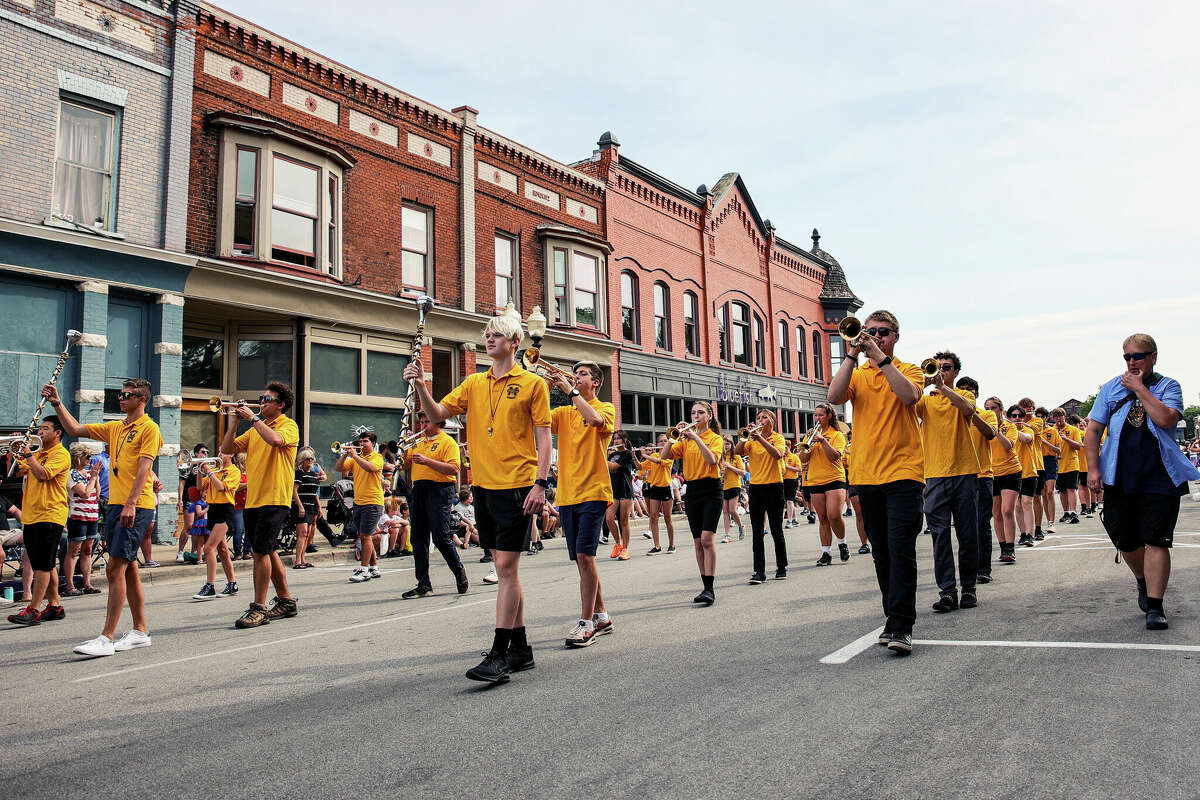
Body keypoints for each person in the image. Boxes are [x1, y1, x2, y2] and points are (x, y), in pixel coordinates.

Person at [403, 312, 551, 684]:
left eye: (497, 334)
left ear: (514, 342)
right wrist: (421, 384)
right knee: (504, 568)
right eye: (487, 334)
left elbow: (544, 439)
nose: (489, 339)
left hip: (517, 485)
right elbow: (436, 413)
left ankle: (500, 652)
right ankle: (521, 649)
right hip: (483, 486)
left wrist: (540, 483)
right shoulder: (472, 383)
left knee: (505, 570)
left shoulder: (533, 384)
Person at [1086, 334, 1199, 630]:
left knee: (1157, 540)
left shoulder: (1168, 386)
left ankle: (1155, 605)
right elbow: (1094, 430)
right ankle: (1142, 579)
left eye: (1139, 356)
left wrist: (1139, 388)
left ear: (1153, 357)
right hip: (1119, 475)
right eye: (1128, 357)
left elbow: (1166, 419)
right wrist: (1093, 469)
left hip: (1160, 476)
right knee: (1125, 539)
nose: (1132, 362)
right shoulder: (1110, 388)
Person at [827, 310, 924, 655]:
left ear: (895, 336)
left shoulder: (908, 370)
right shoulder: (858, 373)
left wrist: (881, 358)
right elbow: (834, 398)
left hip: (904, 474)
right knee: (882, 553)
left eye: (882, 332)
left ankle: (901, 624)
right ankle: (892, 618)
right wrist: (852, 353)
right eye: (869, 332)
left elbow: (909, 397)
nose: (874, 336)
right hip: (867, 475)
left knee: (901, 550)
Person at [46, 378, 161, 656]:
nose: (120, 399)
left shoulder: (149, 428)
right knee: (129, 567)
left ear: (141, 399)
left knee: (114, 569)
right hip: (115, 505)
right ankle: (140, 631)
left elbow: (145, 469)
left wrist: (131, 504)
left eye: (127, 395)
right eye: (120, 394)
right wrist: (57, 403)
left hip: (135, 506)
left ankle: (106, 638)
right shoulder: (115, 428)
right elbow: (74, 428)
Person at [915, 352, 994, 612]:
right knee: (939, 536)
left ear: (955, 372)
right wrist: (924, 384)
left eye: (946, 368)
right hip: (935, 475)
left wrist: (942, 386)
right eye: (935, 368)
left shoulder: (964, 396)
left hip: (965, 472)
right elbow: (906, 403)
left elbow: (968, 409)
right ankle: (947, 591)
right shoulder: (925, 402)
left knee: (967, 534)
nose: (940, 371)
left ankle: (969, 587)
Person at [221, 381, 300, 629]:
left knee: (260, 553)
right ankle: (286, 600)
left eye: (267, 399)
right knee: (268, 550)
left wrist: (254, 419)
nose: (262, 402)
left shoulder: (288, 425)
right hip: (254, 498)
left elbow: (276, 441)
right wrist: (234, 421)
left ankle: (258, 608)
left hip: (275, 497)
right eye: (261, 398)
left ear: (281, 405)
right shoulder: (257, 428)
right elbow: (227, 449)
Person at [549, 361, 616, 647]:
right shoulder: (563, 413)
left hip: (594, 491)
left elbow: (595, 422)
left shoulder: (605, 407)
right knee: (581, 559)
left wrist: (571, 392)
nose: (575, 377)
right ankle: (601, 615)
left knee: (586, 557)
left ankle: (586, 624)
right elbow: (535, 417)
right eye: (574, 374)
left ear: (595, 382)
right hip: (567, 494)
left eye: (582, 374)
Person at [6, 416, 70, 626]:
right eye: (39, 429)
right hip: (32, 515)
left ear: (57, 433)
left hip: (50, 514)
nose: (39, 433)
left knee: (42, 565)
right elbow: (13, 471)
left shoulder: (60, 454)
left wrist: (27, 452)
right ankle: (54, 605)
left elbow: (43, 475)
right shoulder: (39, 453)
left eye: (44, 429)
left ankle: (34, 608)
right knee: (44, 563)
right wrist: (12, 450)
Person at [401, 411, 468, 599]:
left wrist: (427, 461)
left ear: (439, 423)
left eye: (426, 422)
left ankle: (459, 571)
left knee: (440, 536)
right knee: (418, 538)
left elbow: (454, 468)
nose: (423, 425)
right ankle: (423, 584)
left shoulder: (448, 442)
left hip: (440, 490)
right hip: (419, 489)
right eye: (421, 422)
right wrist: (404, 450)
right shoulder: (418, 442)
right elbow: (404, 465)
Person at [661, 401, 723, 605]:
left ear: (709, 416)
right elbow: (664, 456)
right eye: (693, 413)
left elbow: (712, 460)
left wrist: (696, 437)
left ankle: (710, 588)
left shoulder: (715, 438)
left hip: (711, 489)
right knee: (697, 542)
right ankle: (705, 586)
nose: (695, 416)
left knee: (707, 539)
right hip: (694, 490)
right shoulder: (685, 441)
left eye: (700, 413)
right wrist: (672, 438)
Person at [735, 410, 788, 581]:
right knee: (757, 531)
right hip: (756, 487)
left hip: (774, 486)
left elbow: (778, 454)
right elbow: (737, 452)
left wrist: (760, 438)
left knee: (776, 529)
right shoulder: (752, 439)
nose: (760, 420)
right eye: (758, 418)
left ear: (772, 420)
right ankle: (759, 571)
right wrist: (745, 437)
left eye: (764, 417)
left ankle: (781, 567)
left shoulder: (777, 438)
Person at [956, 377, 997, 583]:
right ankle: (968, 570)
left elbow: (991, 434)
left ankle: (983, 568)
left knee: (981, 523)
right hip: (960, 475)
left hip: (982, 475)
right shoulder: (950, 415)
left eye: (970, 390)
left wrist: (971, 414)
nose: (966, 392)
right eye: (961, 389)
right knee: (964, 526)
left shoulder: (987, 414)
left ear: (976, 394)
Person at [798, 403, 849, 568]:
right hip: (815, 480)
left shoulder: (837, 435)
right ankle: (826, 552)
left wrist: (823, 441)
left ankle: (842, 543)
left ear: (828, 416)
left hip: (835, 478)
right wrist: (809, 442)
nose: (817, 418)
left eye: (820, 415)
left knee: (834, 515)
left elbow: (835, 457)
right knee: (823, 518)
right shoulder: (811, 435)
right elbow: (803, 459)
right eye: (815, 415)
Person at [336, 430, 385, 583]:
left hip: (373, 501)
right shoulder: (357, 459)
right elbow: (339, 469)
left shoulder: (377, 457)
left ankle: (364, 570)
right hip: (359, 502)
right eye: (361, 441)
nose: (362, 444)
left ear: (373, 443)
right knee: (364, 536)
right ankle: (373, 567)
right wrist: (345, 454)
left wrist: (355, 456)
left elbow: (371, 468)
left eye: (365, 441)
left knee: (365, 536)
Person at [191, 451, 241, 600]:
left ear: (231, 455)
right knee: (222, 549)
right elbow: (200, 487)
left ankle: (210, 585)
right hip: (213, 509)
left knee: (208, 548)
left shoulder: (234, 471)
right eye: (218, 451)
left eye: (223, 452)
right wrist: (200, 470)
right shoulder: (216, 470)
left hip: (225, 510)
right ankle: (232, 584)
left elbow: (220, 487)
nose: (219, 454)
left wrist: (209, 471)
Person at [983, 397, 1021, 565]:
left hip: (1010, 471)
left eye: (994, 408)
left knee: (1007, 510)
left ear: (1001, 410)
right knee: (996, 513)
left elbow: (1008, 445)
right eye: (987, 408)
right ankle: (1003, 547)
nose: (991, 411)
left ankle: (1011, 548)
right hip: (992, 472)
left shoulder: (1009, 426)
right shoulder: (983, 427)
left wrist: (995, 430)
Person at [62, 444, 102, 596]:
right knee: (74, 550)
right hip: (78, 516)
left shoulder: (88, 474)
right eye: (87, 456)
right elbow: (84, 493)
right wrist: (93, 477)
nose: (89, 460)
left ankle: (87, 583)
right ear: (78, 457)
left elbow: (96, 493)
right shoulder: (72, 474)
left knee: (87, 550)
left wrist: (95, 477)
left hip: (92, 515)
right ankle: (70, 585)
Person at [641, 433, 676, 555]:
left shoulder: (670, 455)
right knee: (653, 517)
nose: (662, 443)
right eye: (660, 441)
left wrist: (645, 455)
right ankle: (657, 546)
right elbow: (640, 466)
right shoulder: (653, 454)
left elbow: (659, 462)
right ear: (657, 444)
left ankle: (672, 544)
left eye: (665, 441)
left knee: (667, 518)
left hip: (666, 488)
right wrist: (636, 456)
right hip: (654, 489)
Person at [1010, 406, 1039, 547]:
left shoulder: (1027, 430)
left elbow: (1026, 439)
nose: (1017, 419)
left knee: (1027, 502)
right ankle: (1022, 533)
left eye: (1020, 416)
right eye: (1014, 416)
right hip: (1013, 472)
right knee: (1017, 505)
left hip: (1028, 471)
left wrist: (1012, 428)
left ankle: (1029, 534)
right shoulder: (1006, 432)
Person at [176, 443, 209, 563]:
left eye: (207, 453)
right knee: (189, 526)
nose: (206, 454)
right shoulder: (189, 465)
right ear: (196, 454)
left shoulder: (206, 466)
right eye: (203, 452)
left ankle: (194, 551)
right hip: (189, 498)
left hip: (201, 500)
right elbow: (182, 483)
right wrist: (179, 499)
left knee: (197, 526)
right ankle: (180, 552)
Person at [291, 448, 324, 569]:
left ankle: (303, 558)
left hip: (311, 506)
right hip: (302, 505)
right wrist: (300, 506)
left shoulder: (314, 474)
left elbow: (314, 492)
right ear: (302, 460)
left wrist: (319, 506)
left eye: (311, 459)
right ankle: (298, 560)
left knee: (308, 533)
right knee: (302, 533)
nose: (310, 461)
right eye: (307, 459)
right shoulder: (299, 473)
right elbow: (294, 490)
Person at [606, 431, 636, 560]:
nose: (616, 441)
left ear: (624, 440)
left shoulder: (627, 454)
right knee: (609, 518)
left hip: (625, 489)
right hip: (613, 490)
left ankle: (625, 549)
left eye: (618, 439)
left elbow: (613, 467)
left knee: (624, 521)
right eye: (614, 439)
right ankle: (618, 544)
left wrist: (600, 457)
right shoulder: (612, 454)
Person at [1034, 408, 1062, 538]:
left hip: (1050, 460)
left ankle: (1052, 522)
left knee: (1050, 491)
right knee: (1043, 493)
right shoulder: (1034, 430)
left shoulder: (1052, 431)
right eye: (1037, 416)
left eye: (1042, 417)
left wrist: (1045, 442)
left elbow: (1058, 450)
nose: (1039, 419)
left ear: (1046, 418)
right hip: (1038, 460)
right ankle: (1047, 521)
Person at [1054, 409, 1084, 525]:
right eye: (1055, 416)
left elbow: (1078, 446)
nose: (1058, 418)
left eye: (1060, 416)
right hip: (1059, 464)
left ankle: (1073, 512)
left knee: (1071, 489)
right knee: (1062, 490)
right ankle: (1066, 512)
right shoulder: (1053, 430)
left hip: (1071, 463)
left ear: (1064, 416)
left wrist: (1065, 438)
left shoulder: (1073, 430)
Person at [719, 436, 747, 544]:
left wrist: (730, 466)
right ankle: (727, 535)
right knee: (725, 511)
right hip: (724, 486)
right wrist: (720, 472)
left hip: (734, 485)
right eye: (724, 444)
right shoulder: (720, 457)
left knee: (732, 510)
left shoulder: (737, 457)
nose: (726, 446)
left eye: (728, 444)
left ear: (731, 445)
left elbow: (743, 473)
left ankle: (741, 526)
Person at [782, 449, 803, 527]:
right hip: (784, 480)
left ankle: (789, 521)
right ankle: (795, 520)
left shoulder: (794, 457)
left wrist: (788, 466)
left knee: (789, 501)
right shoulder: (782, 457)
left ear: (787, 447)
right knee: (788, 501)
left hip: (792, 480)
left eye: (784, 449)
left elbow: (799, 469)